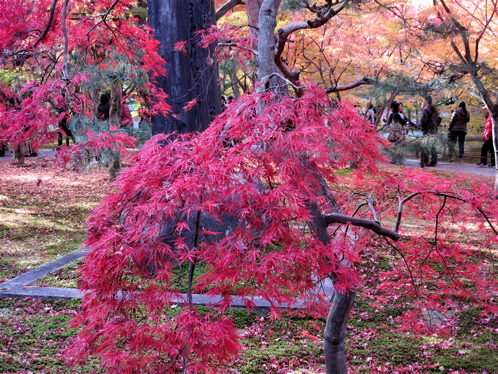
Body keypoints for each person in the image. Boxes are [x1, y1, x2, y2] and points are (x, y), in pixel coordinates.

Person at [420, 96, 441, 167]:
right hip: (434, 128)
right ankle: (434, 160)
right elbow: (438, 119)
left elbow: (424, 119)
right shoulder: (434, 109)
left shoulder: (426, 109)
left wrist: (421, 126)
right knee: (432, 145)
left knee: (425, 144)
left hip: (427, 128)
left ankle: (426, 160)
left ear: (425, 101)